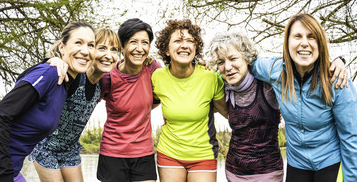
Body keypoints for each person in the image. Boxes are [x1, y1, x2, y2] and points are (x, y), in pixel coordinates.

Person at [251, 13, 357, 182]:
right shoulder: (275, 70)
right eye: (297, 36)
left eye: (311, 37)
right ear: (287, 42)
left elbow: (351, 137)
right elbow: (246, 64)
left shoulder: (337, 80)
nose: (304, 43)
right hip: (297, 163)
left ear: (320, 43)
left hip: (330, 162)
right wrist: (212, 68)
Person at [0, 22, 95, 182]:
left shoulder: (66, 82)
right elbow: (1, 114)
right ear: (62, 47)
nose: (85, 51)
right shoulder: (50, 73)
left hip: (12, 170)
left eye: (91, 45)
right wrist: (4, 172)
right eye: (78, 42)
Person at [28, 28, 121, 182]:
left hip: (70, 149)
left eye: (114, 50)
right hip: (45, 148)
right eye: (102, 48)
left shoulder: (101, 85)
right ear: (90, 50)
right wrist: (53, 60)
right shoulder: (73, 75)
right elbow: (46, 75)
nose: (109, 55)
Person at [151, 19, 228, 182]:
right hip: (169, 153)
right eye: (178, 41)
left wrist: (267, 111)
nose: (184, 45)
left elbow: (230, 113)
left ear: (196, 48)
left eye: (190, 41)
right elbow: (147, 103)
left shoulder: (210, 77)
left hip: (203, 154)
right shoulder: (157, 77)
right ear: (166, 49)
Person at [207, 32, 284, 182]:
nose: (227, 67)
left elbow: (299, 67)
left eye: (233, 58)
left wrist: (338, 62)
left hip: (268, 172)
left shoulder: (267, 84)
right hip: (234, 172)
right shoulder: (222, 87)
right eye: (221, 62)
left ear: (246, 58)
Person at [97, 18, 161, 182]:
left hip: (144, 153)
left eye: (145, 43)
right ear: (122, 46)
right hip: (112, 153)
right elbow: (87, 104)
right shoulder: (107, 77)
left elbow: (163, 94)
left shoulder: (153, 70)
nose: (140, 49)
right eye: (133, 42)